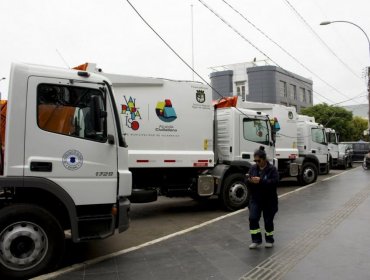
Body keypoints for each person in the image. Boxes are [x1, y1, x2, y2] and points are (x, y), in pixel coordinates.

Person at [247, 146, 279, 249]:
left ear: (264, 159)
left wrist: (261, 181)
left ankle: (269, 240)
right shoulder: (253, 168)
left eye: (258, 160)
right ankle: (256, 240)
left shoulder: (272, 169)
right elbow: (246, 179)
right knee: (253, 218)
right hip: (255, 199)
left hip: (269, 200)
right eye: (255, 160)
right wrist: (250, 181)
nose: (256, 162)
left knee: (268, 221)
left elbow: (275, 182)